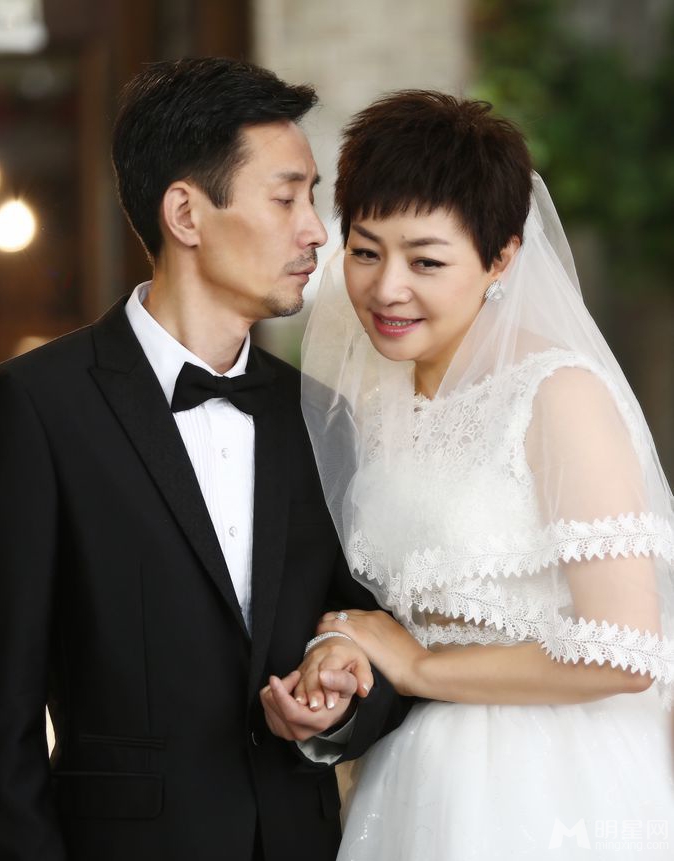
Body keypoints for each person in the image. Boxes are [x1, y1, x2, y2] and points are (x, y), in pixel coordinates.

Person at [0, 58, 408, 861]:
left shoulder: (323, 417)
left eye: (311, 199)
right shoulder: (33, 408)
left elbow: (374, 634)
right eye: (286, 198)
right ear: (185, 213)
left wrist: (338, 707)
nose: (315, 231)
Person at [298, 91, 674, 859]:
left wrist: (419, 664)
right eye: (365, 251)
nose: (386, 288)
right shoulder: (376, 398)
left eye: (426, 261)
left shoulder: (556, 393)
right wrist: (344, 647)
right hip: (414, 771)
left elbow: (624, 648)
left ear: (500, 257)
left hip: (549, 777)